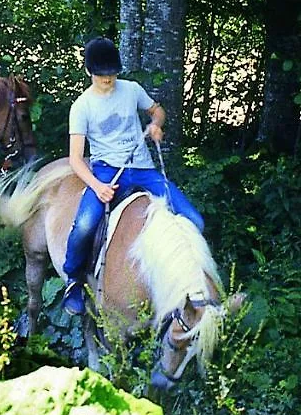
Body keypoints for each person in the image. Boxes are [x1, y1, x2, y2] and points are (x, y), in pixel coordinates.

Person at [60, 37, 205, 316]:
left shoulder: (131, 90)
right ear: (90, 72)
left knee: (195, 220)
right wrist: (98, 186)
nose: (109, 79)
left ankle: (184, 285)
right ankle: (74, 281)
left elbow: (157, 110)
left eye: (113, 73)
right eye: (103, 75)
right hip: (106, 171)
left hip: (143, 168)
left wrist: (155, 125)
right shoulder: (82, 106)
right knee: (84, 226)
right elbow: (75, 160)